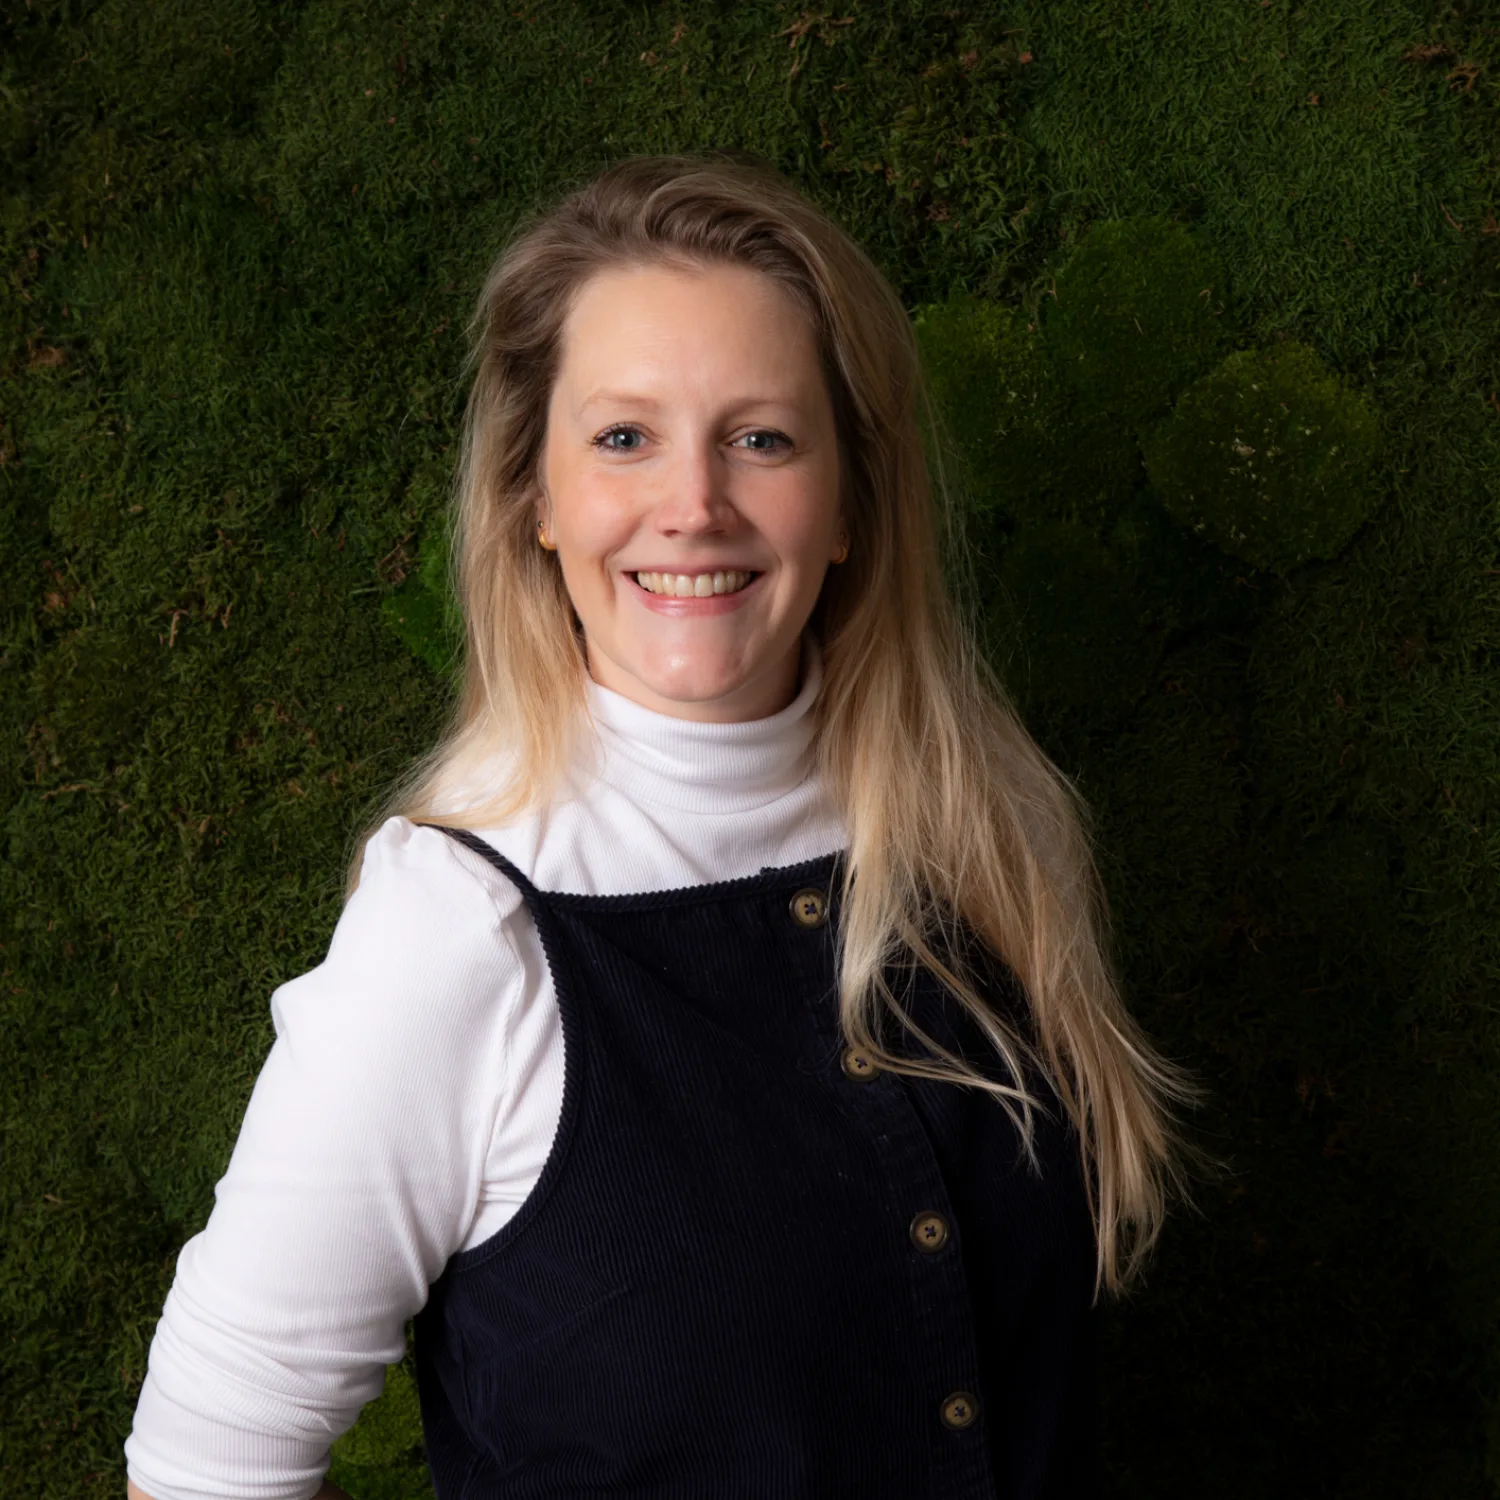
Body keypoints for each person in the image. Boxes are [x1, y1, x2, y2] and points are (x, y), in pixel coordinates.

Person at [124, 150, 1197, 1500]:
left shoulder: (989, 834)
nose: (694, 505)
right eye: (624, 438)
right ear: (535, 497)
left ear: (853, 501)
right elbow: (206, 1466)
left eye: (762, 438)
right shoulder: (455, 931)